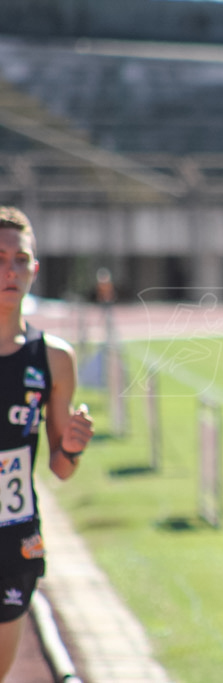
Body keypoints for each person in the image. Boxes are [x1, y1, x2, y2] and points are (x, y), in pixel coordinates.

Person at [0, 206, 93, 680]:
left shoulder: (54, 359)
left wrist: (73, 447)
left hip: (13, 536)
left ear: (34, 269)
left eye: (20, 259)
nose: (10, 270)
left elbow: (60, 466)